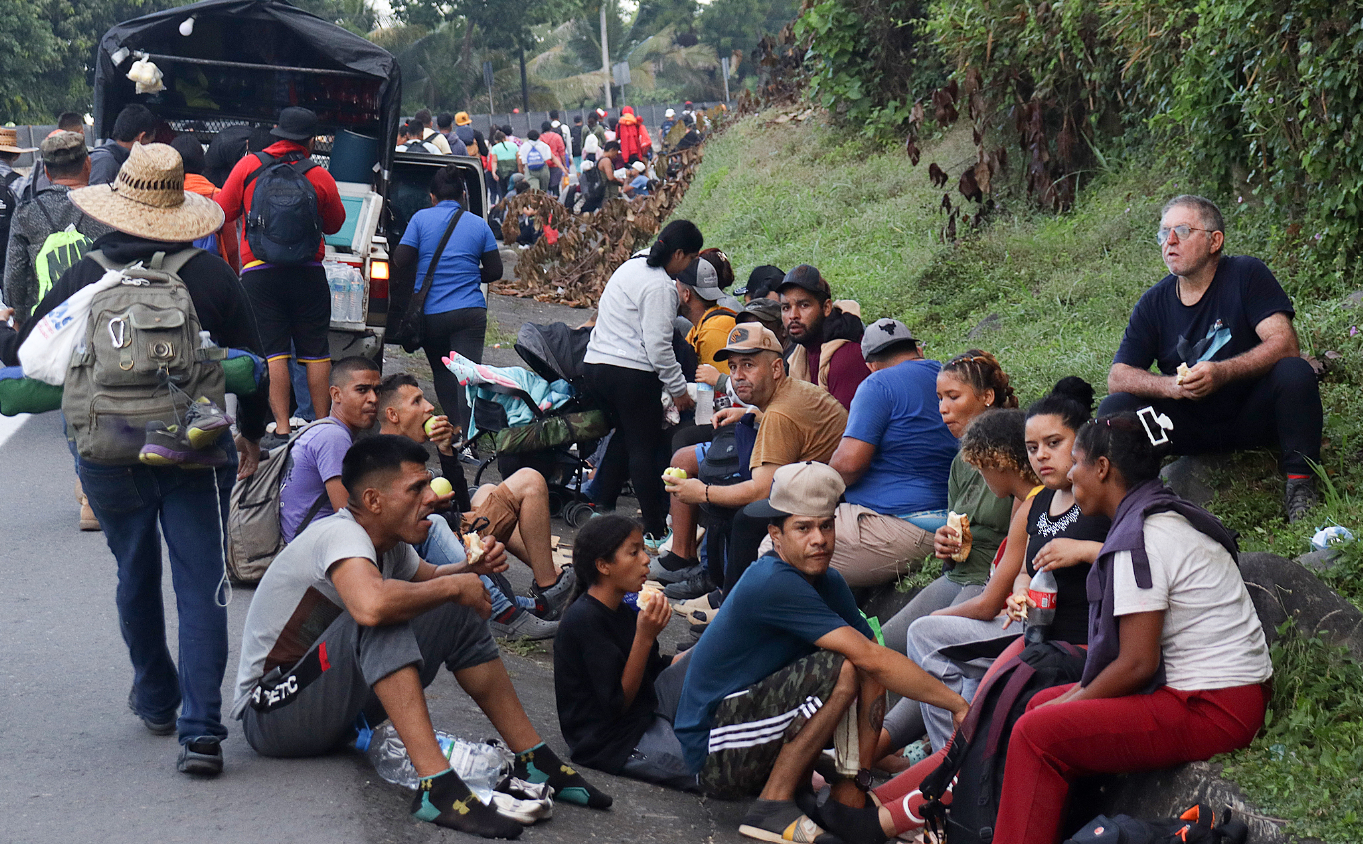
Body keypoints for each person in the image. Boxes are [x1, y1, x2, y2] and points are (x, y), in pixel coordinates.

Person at [20, 142, 268, 774]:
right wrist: (252, 433)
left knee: (134, 569)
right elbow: (252, 364)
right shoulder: (211, 276)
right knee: (200, 582)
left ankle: (157, 697)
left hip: (107, 452)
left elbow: (31, 354)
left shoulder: (86, 274)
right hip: (193, 448)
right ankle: (202, 732)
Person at [233, 436, 611, 840]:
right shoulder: (341, 535)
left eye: (428, 484)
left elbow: (433, 581)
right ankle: (437, 786)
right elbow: (372, 607)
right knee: (383, 614)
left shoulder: (391, 545)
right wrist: (455, 586)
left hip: (332, 710)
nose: (432, 497)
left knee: (454, 603)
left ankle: (533, 758)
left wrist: (471, 570)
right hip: (272, 712)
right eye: (416, 488)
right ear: (373, 500)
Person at [989, 410, 1272, 844]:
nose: (1070, 473)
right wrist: (1065, 702)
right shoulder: (1154, 513)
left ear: (1102, 468)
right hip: (1212, 693)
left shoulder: (1141, 538)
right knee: (1038, 705)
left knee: (1035, 732)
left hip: (1215, 706)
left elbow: (1138, 664)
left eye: (1076, 462)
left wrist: (1072, 701)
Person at [672, 461, 969, 842]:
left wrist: (856, 780)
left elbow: (874, 662)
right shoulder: (773, 580)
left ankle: (839, 796)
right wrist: (956, 704)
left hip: (749, 730)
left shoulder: (827, 579)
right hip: (713, 751)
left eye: (826, 526)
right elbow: (869, 658)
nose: (819, 539)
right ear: (776, 536)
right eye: (803, 528)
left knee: (862, 665)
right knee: (844, 668)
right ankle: (772, 806)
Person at [892, 379, 1110, 759]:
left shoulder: (1096, 497)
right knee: (954, 670)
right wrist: (1022, 590)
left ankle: (949, 759)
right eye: (1032, 448)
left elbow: (1141, 553)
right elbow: (1026, 571)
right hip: (1032, 626)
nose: (1041, 456)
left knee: (927, 637)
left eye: (1053, 443)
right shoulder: (1039, 504)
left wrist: (1084, 550)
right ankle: (950, 758)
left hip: (1070, 638)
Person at [1101, 194, 1322, 522]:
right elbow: (1118, 376)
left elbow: (1284, 343)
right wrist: (1171, 387)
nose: (1170, 241)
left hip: (1251, 414)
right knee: (1114, 406)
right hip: (1185, 427)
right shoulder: (1153, 303)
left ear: (1214, 241)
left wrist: (1222, 372)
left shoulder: (1246, 274)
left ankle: (1300, 485)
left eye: (1182, 231)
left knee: (1294, 371)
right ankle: (1133, 503)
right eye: (1163, 233)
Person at [661, 325, 847, 610]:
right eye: (733, 366)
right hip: (828, 484)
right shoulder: (792, 392)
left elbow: (760, 490)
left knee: (745, 515)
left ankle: (732, 607)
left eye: (748, 365)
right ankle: (723, 592)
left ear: (776, 368)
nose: (737, 376)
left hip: (831, 500)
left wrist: (701, 493)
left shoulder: (780, 414)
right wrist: (751, 414)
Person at [376, 373, 575, 634]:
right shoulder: (384, 459)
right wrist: (430, 507)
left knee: (486, 491)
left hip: (450, 529)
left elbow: (461, 506)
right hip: (430, 546)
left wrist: (446, 451)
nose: (429, 407)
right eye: (417, 401)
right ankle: (541, 591)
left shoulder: (406, 451)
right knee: (530, 481)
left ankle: (546, 590)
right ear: (393, 415)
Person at [216, 107, 347, 447]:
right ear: (311, 141)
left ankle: (283, 427)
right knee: (315, 351)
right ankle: (322, 426)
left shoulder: (248, 167)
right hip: (308, 273)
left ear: (277, 132)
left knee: (274, 352)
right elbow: (335, 224)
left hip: (259, 274)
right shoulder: (319, 175)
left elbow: (224, 211)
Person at [877, 351, 1019, 656]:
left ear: (987, 397)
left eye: (953, 397)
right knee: (881, 646)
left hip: (992, 579)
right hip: (959, 574)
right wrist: (947, 546)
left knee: (930, 644)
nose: (943, 408)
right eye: (940, 398)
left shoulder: (1018, 453)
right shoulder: (960, 463)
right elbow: (958, 539)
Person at [554, 515, 696, 789]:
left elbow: (656, 670)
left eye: (643, 550)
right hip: (615, 739)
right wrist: (645, 637)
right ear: (603, 565)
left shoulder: (624, 608)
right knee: (709, 768)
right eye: (634, 552)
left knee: (709, 651)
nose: (646, 559)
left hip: (647, 709)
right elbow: (617, 705)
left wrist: (705, 651)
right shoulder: (585, 619)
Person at [584, 220, 701, 542]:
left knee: (626, 433)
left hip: (596, 366)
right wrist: (679, 390)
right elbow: (659, 347)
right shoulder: (660, 286)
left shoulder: (631, 266)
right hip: (630, 374)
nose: (688, 267)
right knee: (643, 447)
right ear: (678, 254)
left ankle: (602, 506)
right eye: (691, 259)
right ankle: (655, 528)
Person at [826, 320, 959, 588]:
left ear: (870, 365)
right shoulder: (948, 375)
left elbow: (849, 464)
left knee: (778, 549)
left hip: (904, 524)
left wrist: (820, 483)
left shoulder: (877, 384)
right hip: (950, 518)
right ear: (918, 351)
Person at [391, 164, 501, 437]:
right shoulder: (479, 225)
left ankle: (455, 426)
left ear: (432, 197)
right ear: (463, 196)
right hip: (470, 313)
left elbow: (400, 259)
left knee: (442, 372)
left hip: (432, 314)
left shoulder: (420, 219)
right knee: (467, 374)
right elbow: (495, 271)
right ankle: (469, 436)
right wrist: (468, 274)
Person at [4, 131, 110, 324]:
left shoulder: (26, 213)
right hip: (99, 319)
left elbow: (15, 277)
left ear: (46, 172)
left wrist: (19, 321)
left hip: (46, 324)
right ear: (88, 164)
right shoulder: (108, 210)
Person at [278, 356, 382, 543]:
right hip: (311, 549)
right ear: (336, 395)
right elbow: (349, 517)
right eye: (362, 390)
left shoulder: (321, 429)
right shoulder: (334, 437)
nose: (373, 399)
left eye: (377, 390)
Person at [778, 264, 871, 410]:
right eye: (786, 308)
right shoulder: (800, 354)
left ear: (827, 308)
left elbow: (843, 422)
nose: (793, 315)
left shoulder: (847, 355)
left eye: (804, 305)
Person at [171, 134, 240, 270]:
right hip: (210, 269)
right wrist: (233, 273)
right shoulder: (218, 196)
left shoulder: (164, 194)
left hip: (171, 268)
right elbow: (231, 246)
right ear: (202, 161)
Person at [676, 251, 737, 368]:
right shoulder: (699, 328)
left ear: (686, 294)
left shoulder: (713, 332)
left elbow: (723, 379)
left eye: (676, 288)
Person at [88, 104, 158, 185]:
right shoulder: (106, 163)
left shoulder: (109, 160)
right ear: (141, 138)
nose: (150, 148)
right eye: (150, 142)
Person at [488, 131, 519, 204]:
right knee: (513, 189)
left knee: (503, 191)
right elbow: (518, 159)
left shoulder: (495, 148)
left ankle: (505, 205)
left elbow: (494, 161)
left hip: (501, 172)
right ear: (505, 138)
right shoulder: (514, 145)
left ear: (496, 140)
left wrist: (493, 172)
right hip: (513, 170)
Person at [540, 121, 568, 195]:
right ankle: (556, 198)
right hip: (556, 164)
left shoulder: (540, 138)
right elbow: (562, 152)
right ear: (551, 128)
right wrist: (564, 165)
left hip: (544, 165)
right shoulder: (557, 137)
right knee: (555, 186)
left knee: (546, 186)